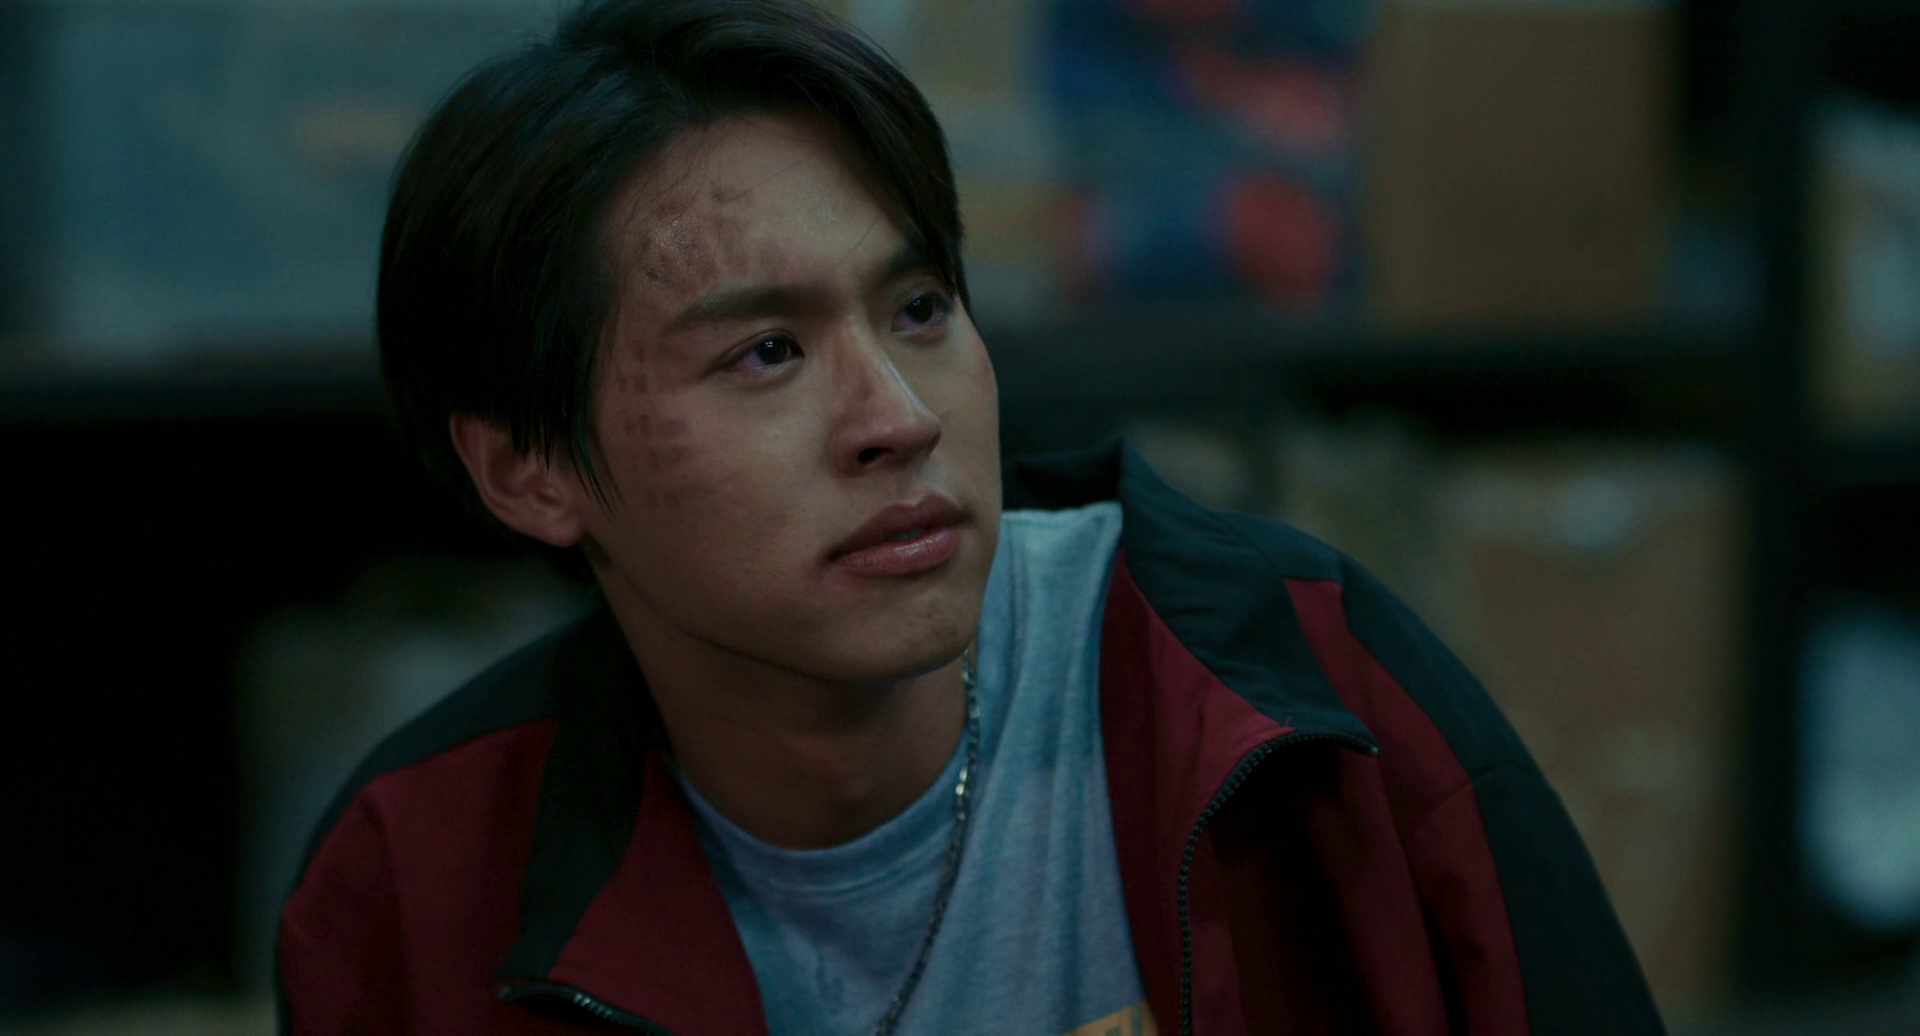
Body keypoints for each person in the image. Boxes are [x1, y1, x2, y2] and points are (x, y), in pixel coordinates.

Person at [277, 1, 1666, 1033]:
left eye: (920, 310)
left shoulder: (1302, 697)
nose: (898, 416)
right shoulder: (415, 882)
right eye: (765, 352)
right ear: (529, 470)